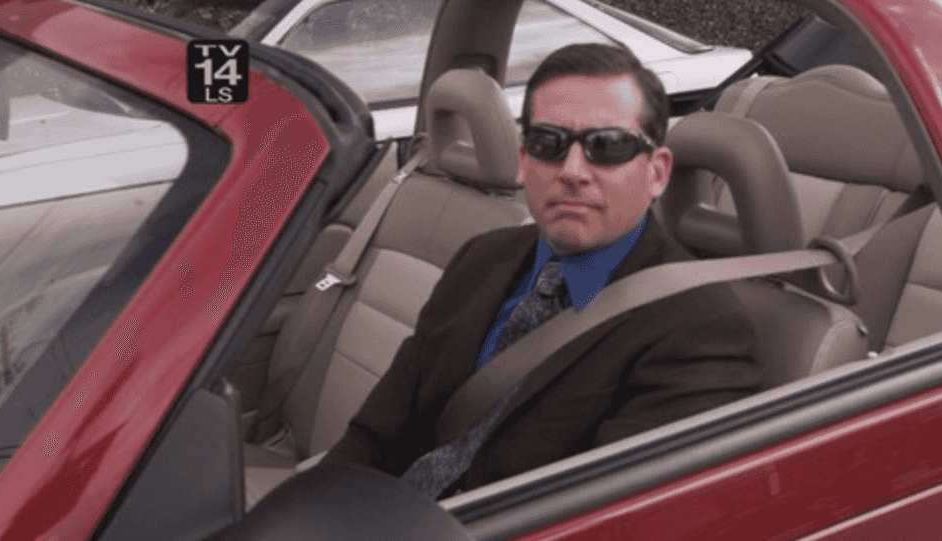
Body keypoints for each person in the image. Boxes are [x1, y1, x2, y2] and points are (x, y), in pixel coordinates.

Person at [320, 43, 761, 497]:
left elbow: (608, 517)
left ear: (658, 172)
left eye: (608, 146)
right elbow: (375, 438)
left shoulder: (700, 327)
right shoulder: (480, 259)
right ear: (524, 160)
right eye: (548, 143)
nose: (573, 171)